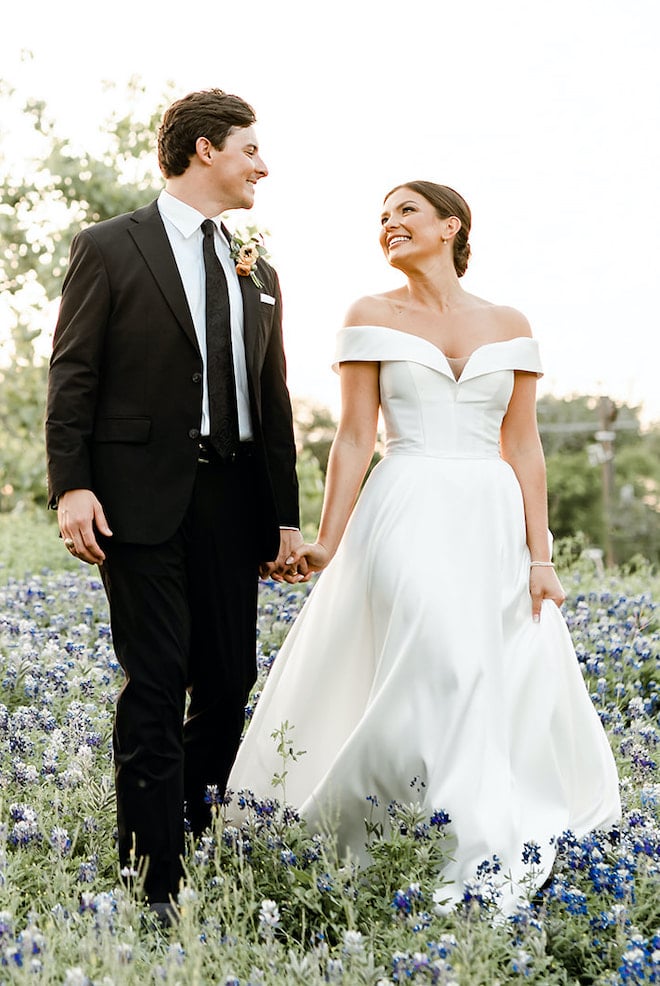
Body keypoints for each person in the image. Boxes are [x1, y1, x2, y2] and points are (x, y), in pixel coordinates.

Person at [226, 181, 621, 912]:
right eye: (381, 218)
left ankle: (452, 830)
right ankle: (437, 838)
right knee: (437, 651)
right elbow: (352, 438)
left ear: (451, 226)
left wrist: (543, 559)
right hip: (405, 505)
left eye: (405, 211)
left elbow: (524, 445)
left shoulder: (509, 321)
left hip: (490, 513)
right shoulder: (368, 314)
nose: (389, 225)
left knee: (477, 663)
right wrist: (325, 540)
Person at [45, 89, 302, 920]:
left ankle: (186, 835)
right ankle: (152, 884)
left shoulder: (257, 266)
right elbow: (73, 372)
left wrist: (285, 518)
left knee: (228, 685)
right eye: (251, 149)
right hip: (136, 499)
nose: (263, 164)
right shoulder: (111, 246)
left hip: (233, 500)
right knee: (156, 682)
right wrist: (71, 483)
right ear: (203, 151)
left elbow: (275, 402)